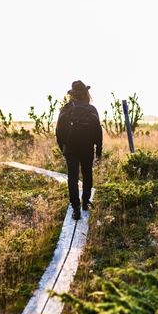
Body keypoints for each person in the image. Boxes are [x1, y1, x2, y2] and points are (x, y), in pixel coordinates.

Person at [55, 80, 103, 221]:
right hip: (87, 148)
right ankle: (85, 202)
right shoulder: (92, 109)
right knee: (87, 174)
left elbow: (59, 130)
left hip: (71, 148)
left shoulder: (67, 108)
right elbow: (98, 132)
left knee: (73, 177)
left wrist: (63, 147)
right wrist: (98, 151)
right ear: (86, 94)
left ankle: (75, 208)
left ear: (72, 94)